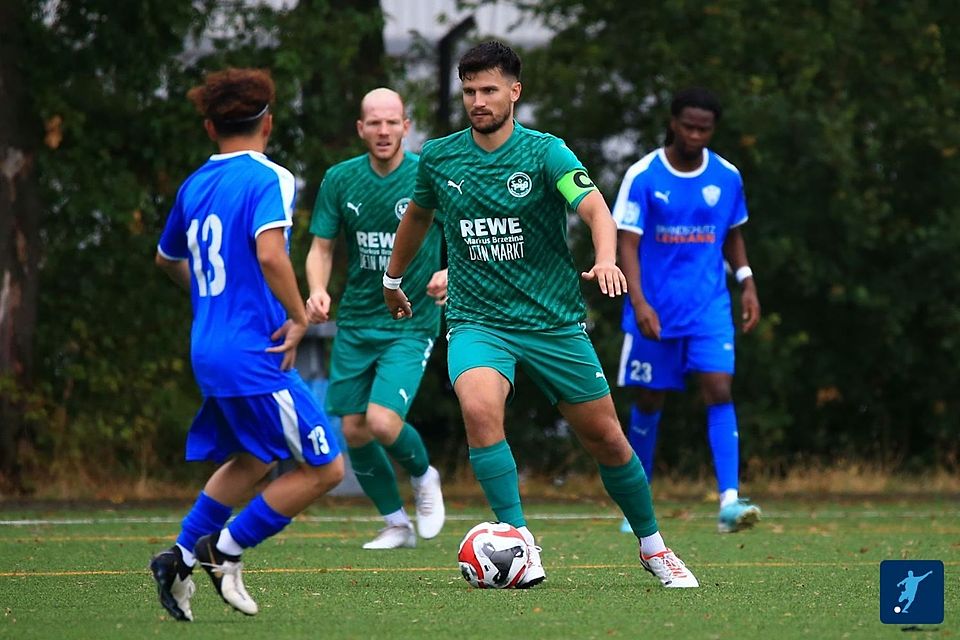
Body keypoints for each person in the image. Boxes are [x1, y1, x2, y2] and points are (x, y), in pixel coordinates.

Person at [383, 41, 699, 588]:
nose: (478, 101)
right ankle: (519, 542)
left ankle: (653, 547)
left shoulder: (546, 153)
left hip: (553, 323)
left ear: (514, 92)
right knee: (479, 411)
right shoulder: (439, 157)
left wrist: (605, 260)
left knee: (607, 439)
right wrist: (393, 277)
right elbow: (417, 216)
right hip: (477, 320)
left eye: (488, 90)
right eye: (469, 91)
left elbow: (596, 208)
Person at [150, 68, 344, 621]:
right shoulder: (269, 177)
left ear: (210, 127)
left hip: (207, 347)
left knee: (256, 456)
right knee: (325, 467)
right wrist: (297, 313)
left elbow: (167, 259)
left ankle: (180, 556)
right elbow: (270, 254)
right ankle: (224, 550)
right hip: (253, 354)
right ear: (269, 123)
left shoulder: (194, 185)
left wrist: (214, 300)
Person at [611, 87, 762, 535]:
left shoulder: (727, 176)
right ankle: (636, 501)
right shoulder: (643, 175)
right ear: (673, 123)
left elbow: (732, 234)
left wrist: (747, 282)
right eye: (689, 126)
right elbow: (627, 243)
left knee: (719, 389)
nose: (696, 134)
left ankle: (730, 502)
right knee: (649, 398)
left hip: (709, 307)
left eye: (705, 128)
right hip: (654, 309)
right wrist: (638, 302)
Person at [305, 88, 446, 549]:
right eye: (374, 123)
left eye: (392, 122)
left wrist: (449, 271)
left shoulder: (430, 174)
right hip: (358, 320)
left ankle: (425, 477)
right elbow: (322, 247)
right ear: (361, 129)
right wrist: (318, 289)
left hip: (411, 319)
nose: (383, 131)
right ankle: (396, 524)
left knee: (383, 422)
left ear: (406, 126)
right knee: (353, 429)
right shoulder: (341, 179)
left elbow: (465, 233)